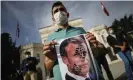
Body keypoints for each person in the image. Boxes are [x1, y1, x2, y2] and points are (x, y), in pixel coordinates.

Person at [43, 1, 103, 80]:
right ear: (53, 18)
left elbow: (98, 52)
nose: (59, 12)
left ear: (67, 14)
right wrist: (52, 58)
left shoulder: (80, 30)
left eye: (61, 9)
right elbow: (47, 66)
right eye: (56, 11)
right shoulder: (50, 38)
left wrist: (95, 45)